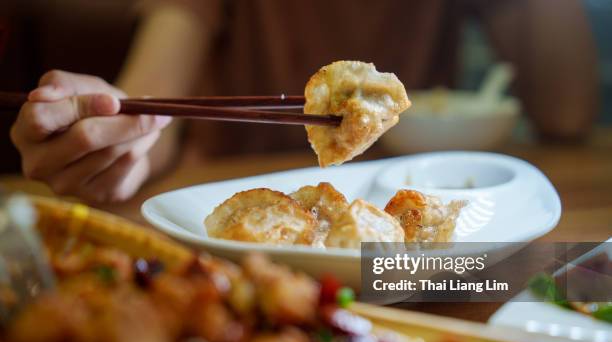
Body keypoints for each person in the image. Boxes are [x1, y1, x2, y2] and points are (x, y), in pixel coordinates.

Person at [10, 0, 598, 203]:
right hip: (224, 225)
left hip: (403, 250)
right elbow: (148, 108)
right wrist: (112, 142)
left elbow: (567, 111)